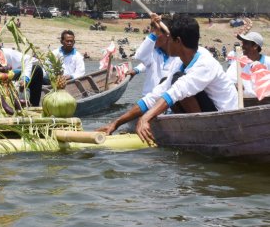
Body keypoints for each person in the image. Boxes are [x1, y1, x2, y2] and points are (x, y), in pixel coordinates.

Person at [98, 15, 238, 144]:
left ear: (178, 41)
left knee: (177, 81)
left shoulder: (205, 63)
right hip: (205, 112)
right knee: (167, 82)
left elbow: (176, 91)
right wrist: (116, 123)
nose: (166, 42)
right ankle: (192, 131)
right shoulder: (179, 62)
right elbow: (155, 96)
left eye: (169, 39)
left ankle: (201, 133)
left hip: (224, 119)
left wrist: (145, 118)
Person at [128, 13, 182, 96]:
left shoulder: (179, 57)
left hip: (169, 104)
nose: (153, 34)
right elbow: (140, 56)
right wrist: (136, 70)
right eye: (152, 31)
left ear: (167, 35)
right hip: (148, 102)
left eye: (157, 32)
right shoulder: (153, 52)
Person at [226, 31, 269, 99]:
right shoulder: (237, 63)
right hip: (245, 104)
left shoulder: (268, 62)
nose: (242, 46)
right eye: (243, 43)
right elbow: (228, 81)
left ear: (255, 46)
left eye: (246, 43)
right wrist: (234, 85)